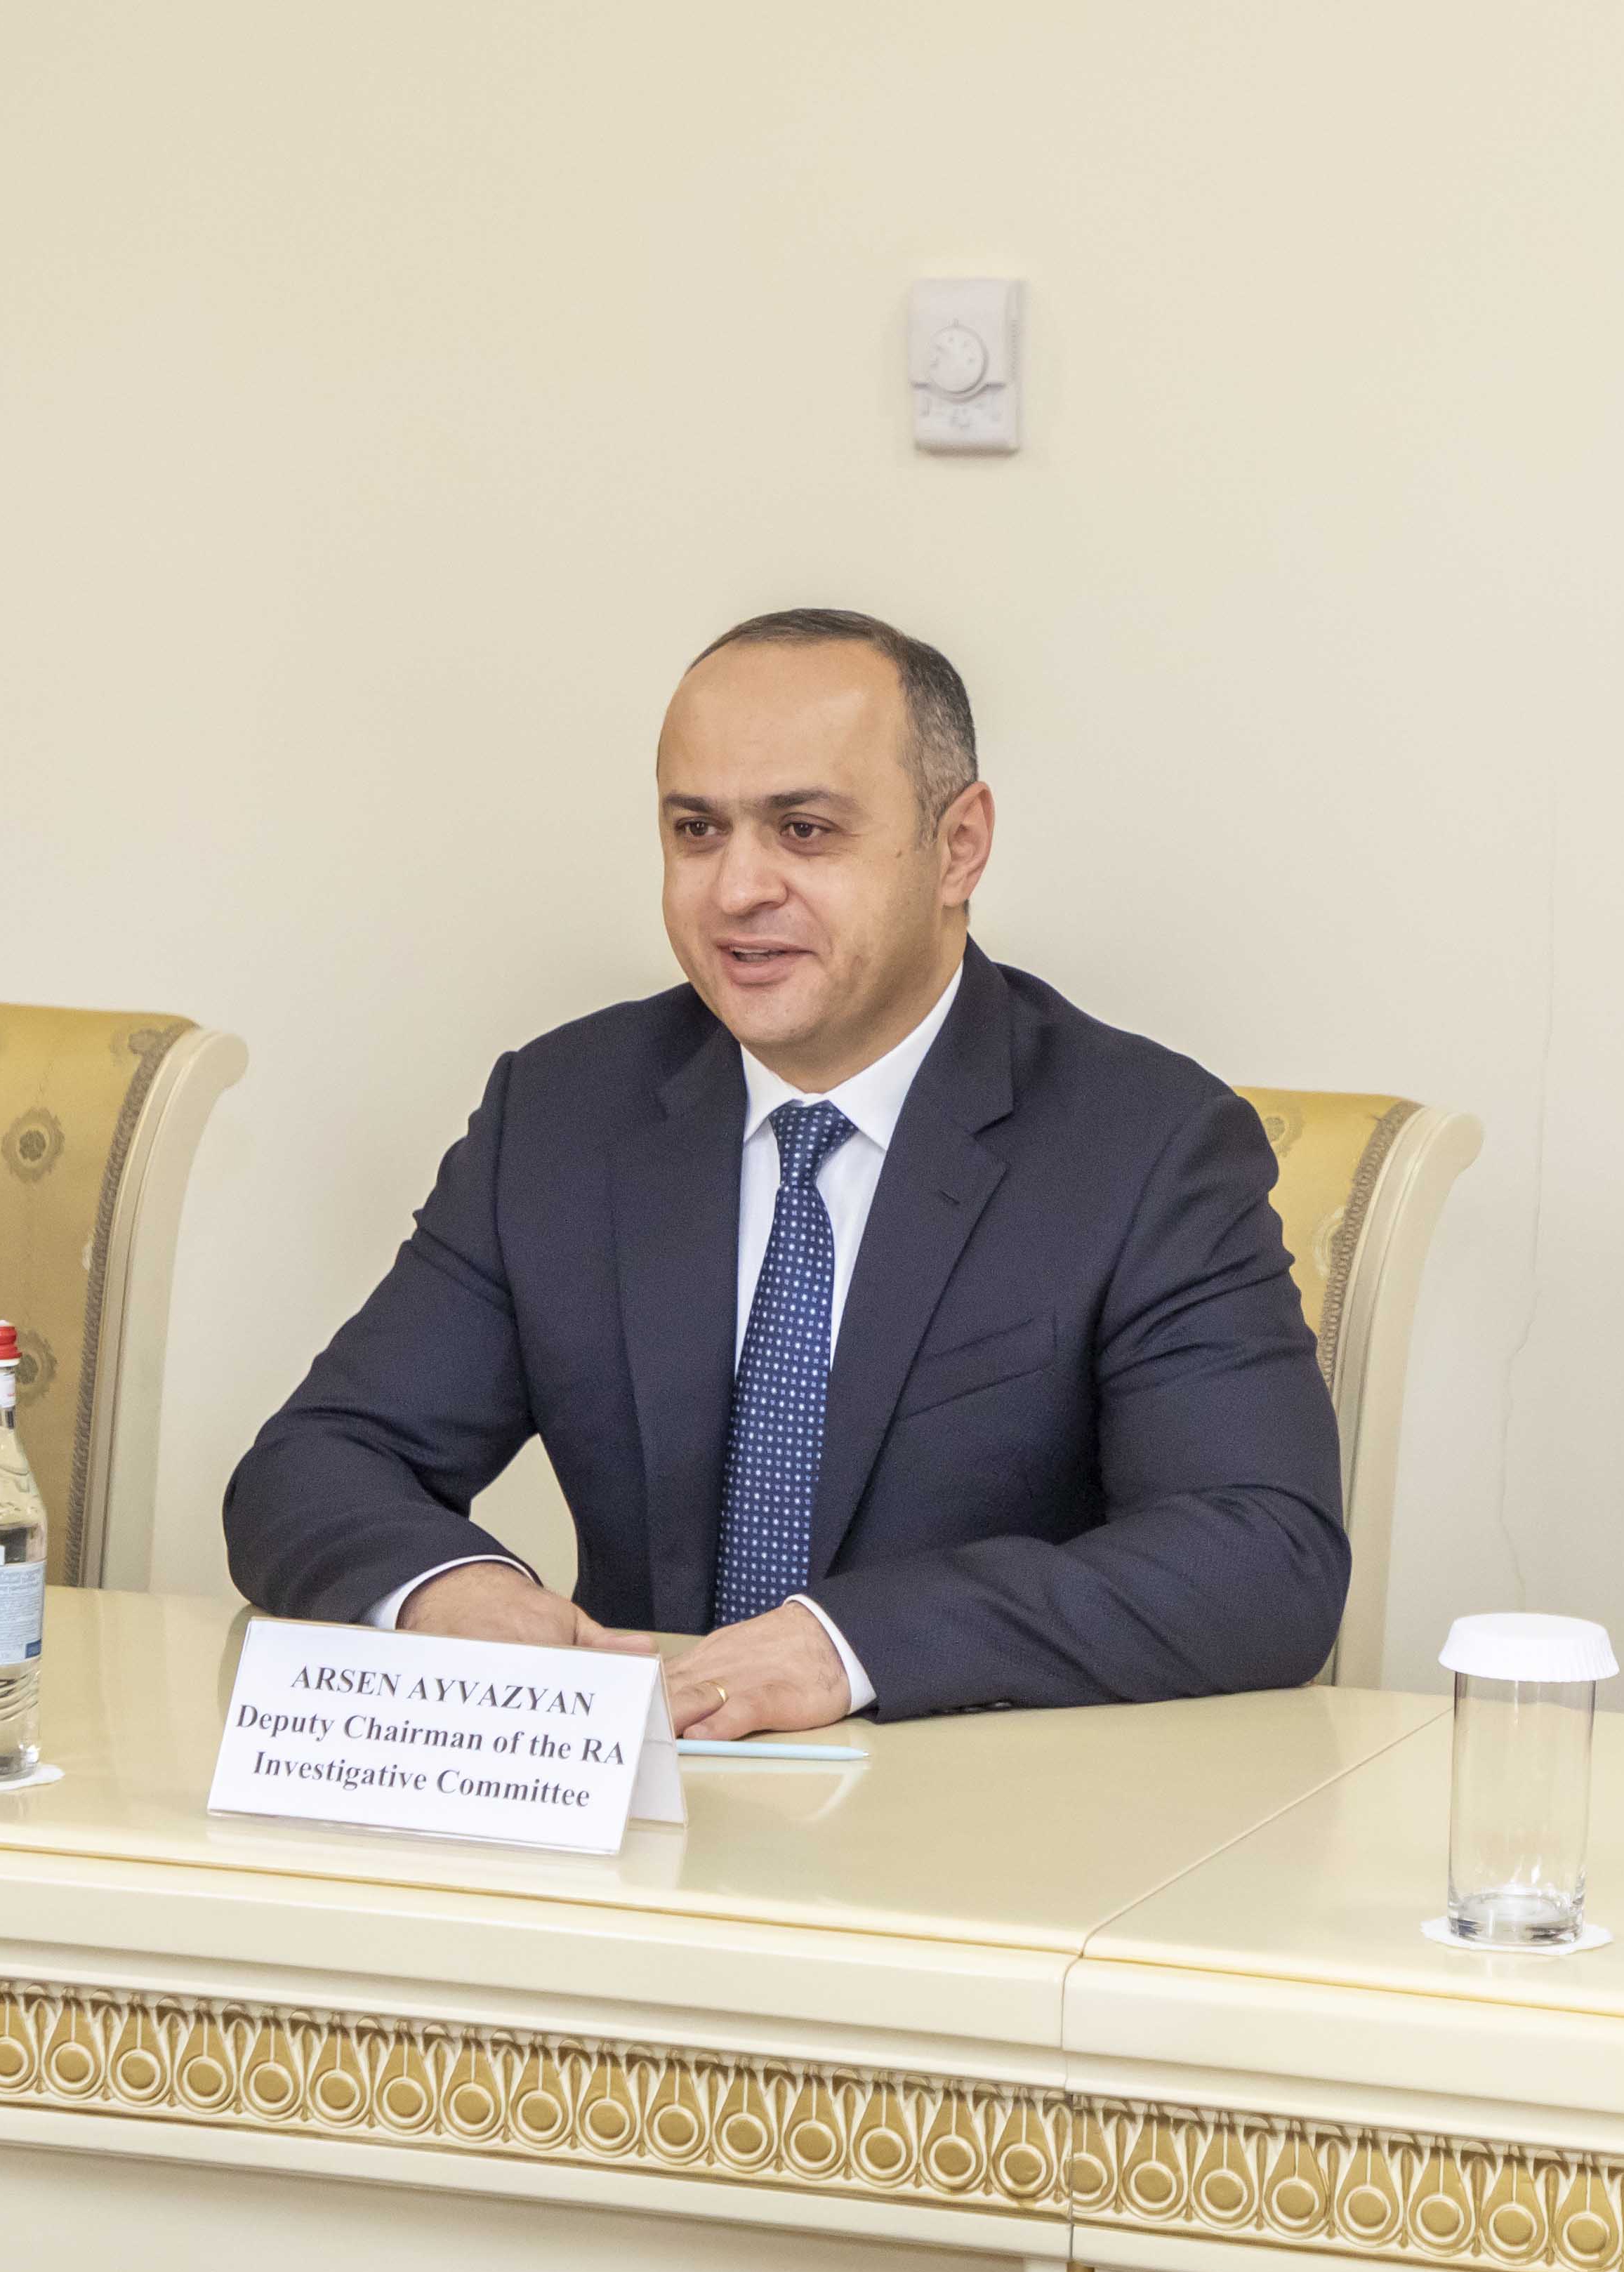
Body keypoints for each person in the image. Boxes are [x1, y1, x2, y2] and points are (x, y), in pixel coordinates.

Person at [228, 607, 1345, 1730]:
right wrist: (452, 1592)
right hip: (641, 1796)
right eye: (697, 830)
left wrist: (851, 1648)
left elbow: (1264, 1555)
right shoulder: (564, 1113)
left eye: (804, 831)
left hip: (981, 1799)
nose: (736, 890)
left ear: (959, 846)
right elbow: (318, 1461)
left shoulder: (1146, 1143)